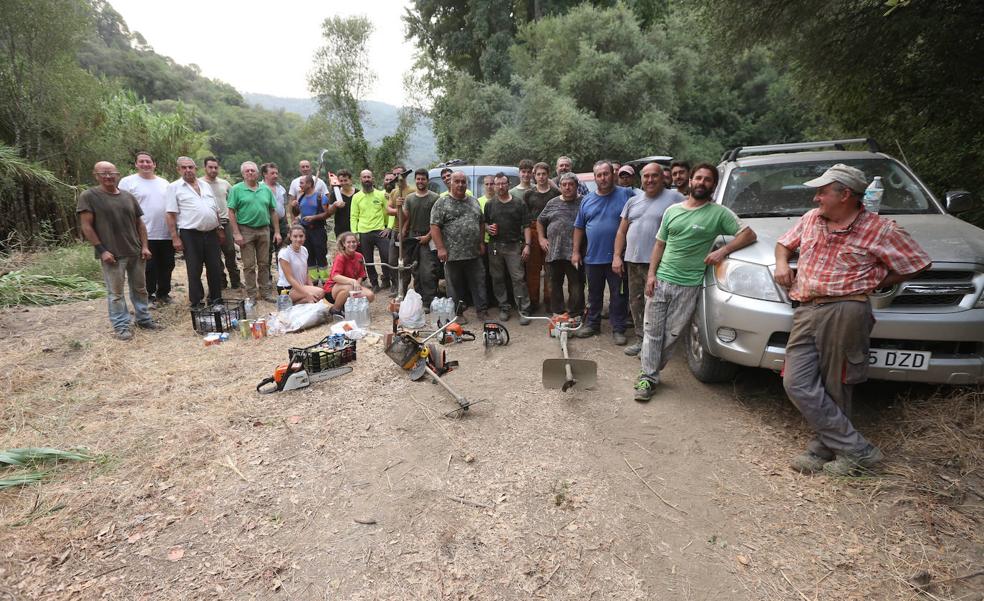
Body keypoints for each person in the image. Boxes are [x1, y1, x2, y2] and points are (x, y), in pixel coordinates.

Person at [774, 164, 930, 476]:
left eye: (823, 191)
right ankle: (857, 450)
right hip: (806, 308)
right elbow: (783, 244)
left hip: (847, 308)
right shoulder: (810, 219)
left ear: (845, 194)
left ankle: (823, 449)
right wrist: (781, 264)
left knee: (837, 384)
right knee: (796, 382)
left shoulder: (880, 229)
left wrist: (881, 280)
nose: (816, 197)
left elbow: (919, 262)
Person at [635, 164, 757, 401]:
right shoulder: (672, 211)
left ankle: (650, 367)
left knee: (672, 333)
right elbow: (659, 244)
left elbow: (748, 234)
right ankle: (647, 377)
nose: (702, 182)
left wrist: (723, 252)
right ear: (690, 181)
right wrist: (651, 275)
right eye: (698, 178)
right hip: (661, 280)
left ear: (713, 185)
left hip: (689, 285)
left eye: (708, 180)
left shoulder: (719, 213)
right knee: (652, 331)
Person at [77, 161, 160, 340]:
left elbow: (140, 224)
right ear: (96, 175)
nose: (108, 176)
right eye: (103, 173)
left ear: (118, 174)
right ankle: (121, 326)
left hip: (135, 251)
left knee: (140, 288)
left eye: (111, 173)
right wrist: (102, 250)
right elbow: (87, 226)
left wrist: (144, 246)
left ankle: (144, 319)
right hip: (112, 254)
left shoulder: (128, 196)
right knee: (116, 293)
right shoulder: (89, 196)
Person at [613, 162, 684, 356]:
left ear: (663, 178)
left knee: (657, 305)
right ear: (641, 179)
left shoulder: (675, 198)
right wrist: (617, 256)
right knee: (635, 302)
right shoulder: (633, 201)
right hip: (632, 262)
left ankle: (654, 346)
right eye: (646, 176)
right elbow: (621, 231)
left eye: (654, 176)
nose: (650, 180)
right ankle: (641, 340)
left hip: (660, 264)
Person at [572, 160, 635, 344]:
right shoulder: (587, 200)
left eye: (606, 174)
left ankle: (618, 328)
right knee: (594, 294)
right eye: (599, 175)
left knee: (619, 295)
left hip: (618, 258)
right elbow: (579, 227)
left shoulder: (627, 195)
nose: (603, 178)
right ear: (595, 177)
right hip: (593, 257)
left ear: (612, 174)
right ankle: (592, 324)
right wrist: (576, 251)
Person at [165, 156, 225, 307]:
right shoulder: (174, 187)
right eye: (184, 167)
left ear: (195, 168)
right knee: (194, 269)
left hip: (211, 232)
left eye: (190, 167)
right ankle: (197, 302)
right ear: (178, 169)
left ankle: (216, 299)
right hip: (190, 234)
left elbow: (215, 208)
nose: (188, 170)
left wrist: (219, 228)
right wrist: (175, 238)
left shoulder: (205, 185)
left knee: (215, 267)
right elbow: (171, 214)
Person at [430, 171, 487, 323]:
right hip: (452, 254)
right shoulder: (441, 203)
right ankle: (458, 314)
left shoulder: (473, 201)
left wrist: (481, 242)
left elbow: (481, 222)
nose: (460, 184)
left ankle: (482, 311)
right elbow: (434, 227)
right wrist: (440, 248)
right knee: (454, 286)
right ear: (451, 183)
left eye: (463, 182)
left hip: (473, 252)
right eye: (457, 181)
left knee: (479, 282)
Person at [119, 151, 172, 304]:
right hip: (142, 233)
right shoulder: (127, 182)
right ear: (136, 164)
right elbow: (123, 207)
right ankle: (148, 296)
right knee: (148, 267)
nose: (145, 164)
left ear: (154, 164)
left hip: (165, 232)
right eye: (141, 161)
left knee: (167, 264)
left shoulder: (164, 183)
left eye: (148, 161)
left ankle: (164, 293)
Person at [227, 161, 280, 303]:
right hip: (245, 230)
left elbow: (273, 211)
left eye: (253, 170)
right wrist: (236, 233)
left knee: (264, 263)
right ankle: (251, 294)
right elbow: (231, 212)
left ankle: (265, 292)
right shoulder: (236, 189)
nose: (250, 173)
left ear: (257, 173)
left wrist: (277, 232)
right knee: (249, 265)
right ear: (243, 174)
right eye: (247, 171)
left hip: (264, 229)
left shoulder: (266, 189)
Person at [485, 172, 533, 324]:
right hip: (495, 247)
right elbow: (484, 223)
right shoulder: (490, 204)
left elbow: (526, 226)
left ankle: (523, 310)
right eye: (497, 184)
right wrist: (488, 229)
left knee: (518, 278)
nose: (500, 186)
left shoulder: (519, 203)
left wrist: (527, 245)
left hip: (514, 246)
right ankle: (504, 307)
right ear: (494, 185)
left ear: (508, 184)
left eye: (503, 183)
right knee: (497, 278)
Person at [537, 172, 585, 318]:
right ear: (560, 187)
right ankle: (558, 313)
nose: (567, 187)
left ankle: (575, 313)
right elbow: (540, 220)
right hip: (554, 252)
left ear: (577, 186)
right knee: (554, 284)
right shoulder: (552, 203)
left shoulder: (584, 202)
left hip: (575, 252)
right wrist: (541, 238)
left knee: (576, 285)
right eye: (564, 185)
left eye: (571, 184)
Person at [402, 168, 441, 307]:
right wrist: (403, 230)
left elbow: (438, 221)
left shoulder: (435, 198)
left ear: (427, 180)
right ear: (415, 180)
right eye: (418, 179)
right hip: (413, 238)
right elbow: (406, 218)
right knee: (415, 270)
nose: (420, 181)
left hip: (429, 237)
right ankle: (419, 299)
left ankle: (429, 300)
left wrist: (429, 236)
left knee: (428, 271)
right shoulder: (409, 198)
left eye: (423, 179)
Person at [523, 162, 558, 312]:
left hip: (551, 232)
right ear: (534, 176)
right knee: (533, 269)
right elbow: (525, 217)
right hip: (533, 231)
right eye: (538, 174)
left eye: (544, 174)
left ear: (548, 175)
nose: (541, 177)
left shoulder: (555, 193)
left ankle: (550, 301)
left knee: (550, 268)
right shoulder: (529, 194)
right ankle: (533, 301)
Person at [202, 156, 241, 291]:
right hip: (210, 224)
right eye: (210, 167)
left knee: (230, 251)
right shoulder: (200, 184)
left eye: (215, 167)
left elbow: (234, 202)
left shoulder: (225, 184)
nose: (213, 170)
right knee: (214, 255)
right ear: (205, 168)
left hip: (226, 222)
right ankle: (221, 282)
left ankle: (235, 281)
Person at [350, 169, 392, 291]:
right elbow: (353, 216)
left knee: (387, 256)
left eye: (369, 177)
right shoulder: (356, 197)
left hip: (380, 231)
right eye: (364, 177)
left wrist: (389, 227)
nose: (367, 179)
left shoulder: (381, 195)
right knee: (368, 260)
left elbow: (390, 212)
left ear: (372, 179)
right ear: (361, 179)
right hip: (364, 232)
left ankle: (388, 280)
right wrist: (355, 233)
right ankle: (374, 284)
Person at [324, 231, 376, 311]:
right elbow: (335, 276)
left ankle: (347, 306)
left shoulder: (359, 256)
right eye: (348, 242)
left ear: (357, 243)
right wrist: (352, 281)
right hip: (333, 289)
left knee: (370, 295)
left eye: (354, 242)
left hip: (351, 286)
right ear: (344, 244)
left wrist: (357, 284)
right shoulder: (340, 257)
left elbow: (361, 275)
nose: (352, 244)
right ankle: (335, 310)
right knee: (349, 288)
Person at [277, 225, 328, 304]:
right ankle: (288, 303)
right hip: (287, 288)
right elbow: (289, 278)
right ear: (290, 237)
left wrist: (311, 287)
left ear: (305, 237)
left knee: (318, 295)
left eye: (301, 236)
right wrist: (307, 294)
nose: (298, 239)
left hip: (301, 286)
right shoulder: (284, 253)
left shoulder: (304, 250)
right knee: (319, 293)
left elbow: (306, 273)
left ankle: (292, 304)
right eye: (295, 236)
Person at [290, 175, 330, 270]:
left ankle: (325, 280)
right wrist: (294, 207)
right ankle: (313, 280)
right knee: (308, 255)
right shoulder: (301, 197)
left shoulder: (321, 197)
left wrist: (314, 217)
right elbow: (297, 213)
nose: (300, 186)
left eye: (302, 183)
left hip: (318, 230)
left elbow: (328, 214)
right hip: (305, 231)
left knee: (321, 254)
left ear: (309, 184)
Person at [261, 162, 288, 278]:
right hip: (266, 223)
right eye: (272, 173)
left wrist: (287, 223)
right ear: (265, 174)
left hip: (281, 223)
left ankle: (283, 276)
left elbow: (284, 206)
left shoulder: (281, 188)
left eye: (276, 173)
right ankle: (266, 277)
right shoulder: (259, 188)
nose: (275, 175)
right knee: (265, 252)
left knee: (282, 251)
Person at [333, 169, 355, 240]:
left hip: (356, 229)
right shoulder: (335, 194)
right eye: (341, 181)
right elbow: (329, 212)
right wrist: (334, 205)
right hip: (341, 229)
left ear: (350, 180)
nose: (343, 183)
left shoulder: (358, 193)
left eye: (345, 180)